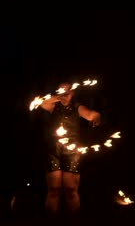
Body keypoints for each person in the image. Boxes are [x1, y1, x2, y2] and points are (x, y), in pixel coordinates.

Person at [38, 82, 101, 224]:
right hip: (53, 150)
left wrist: (96, 117)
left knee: (70, 189)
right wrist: (58, 96)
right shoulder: (53, 105)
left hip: (72, 152)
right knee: (53, 189)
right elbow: (42, 103)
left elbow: (91, 114)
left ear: (72, 94)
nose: (65, 95)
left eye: (68, 93)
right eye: (62, 92)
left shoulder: (77, 107)